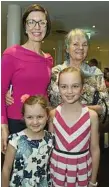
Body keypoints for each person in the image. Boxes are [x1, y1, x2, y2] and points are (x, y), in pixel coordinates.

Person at [1, 4, 53, 154]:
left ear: (46, 26)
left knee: (38, 172)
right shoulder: (11, 54)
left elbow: (45, 92)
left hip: (40, 122)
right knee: (14, 173)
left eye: (41, 22)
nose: (36, 27)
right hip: (16, 122)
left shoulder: (48, 59)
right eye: (31, 22)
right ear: (25, 27)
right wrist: (2, 125)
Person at [49, 67, 100, 187]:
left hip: (82, 172)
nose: (69, 91)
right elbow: (49, 147)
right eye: (64, 86)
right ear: (58, 88)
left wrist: (93, 180)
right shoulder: (53, 114)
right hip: (57, 172)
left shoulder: (91, 116)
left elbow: (95, 149)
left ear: (82, 88)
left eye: (75, 86)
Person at [48, 29, 109, 119]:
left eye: (84, 44)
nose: (80, 48)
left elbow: (105, 107)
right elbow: (47, 103)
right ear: (67, 48)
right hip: (58, 125)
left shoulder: (95, 73)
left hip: (87, 127)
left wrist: (78, 110)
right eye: (75, 44)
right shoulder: (56, 72)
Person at [2, 95, 54, 187]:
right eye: (30, 117)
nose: (35, 122)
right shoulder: (15, 140)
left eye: (40, 117)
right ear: (23, 117)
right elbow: (6, 169)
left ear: (47, 116)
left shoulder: (51, 139)